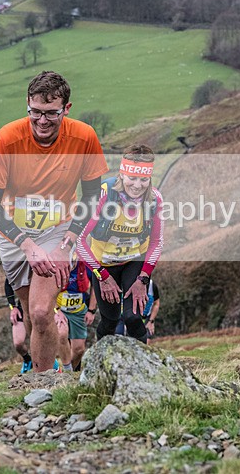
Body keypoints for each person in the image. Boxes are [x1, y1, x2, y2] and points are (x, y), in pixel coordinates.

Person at [0, 71, 108, 373]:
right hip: (14, 235)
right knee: (30, 313)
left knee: (40, 311)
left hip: (58, 230)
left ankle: (43, 385)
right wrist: (26, 245)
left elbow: (91, 197)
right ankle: (43, 379)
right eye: (35, 112)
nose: (42, 121)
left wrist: (66, 246)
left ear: (67, 108)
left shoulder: (84, 136)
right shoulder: (8, 138)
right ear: (28, 104)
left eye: (51, 113)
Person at [76, 144, 164, 344]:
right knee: (110, 320)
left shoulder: (155, 199)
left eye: (143, 179)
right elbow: (79, 240)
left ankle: (143, 366)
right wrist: (102, 275)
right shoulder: (103, 195)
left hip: (134, 261)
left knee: (133, 318)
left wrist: (143, 278)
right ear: (122, 175)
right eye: (132, 178)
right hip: (103, 265)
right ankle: (101, 365)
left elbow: (157, 242)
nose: (137, 185)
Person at [54, 261, 97, 372]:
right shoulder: (56, 263)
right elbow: (46, 291)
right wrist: (56, 310)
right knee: (62, 334)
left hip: (79, 311)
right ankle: (67, 370)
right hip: (60, 310)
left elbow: (96, 286)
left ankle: (70, 372)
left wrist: (91, 310)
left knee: (79, 350)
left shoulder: (86, 264)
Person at [5, 278, 32, 374]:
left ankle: (51, 363)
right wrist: (13, 307)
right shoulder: (19, 265)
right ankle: (28, 360)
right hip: (21, 307)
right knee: (18, 343)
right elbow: (8, 282)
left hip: (40, 307)